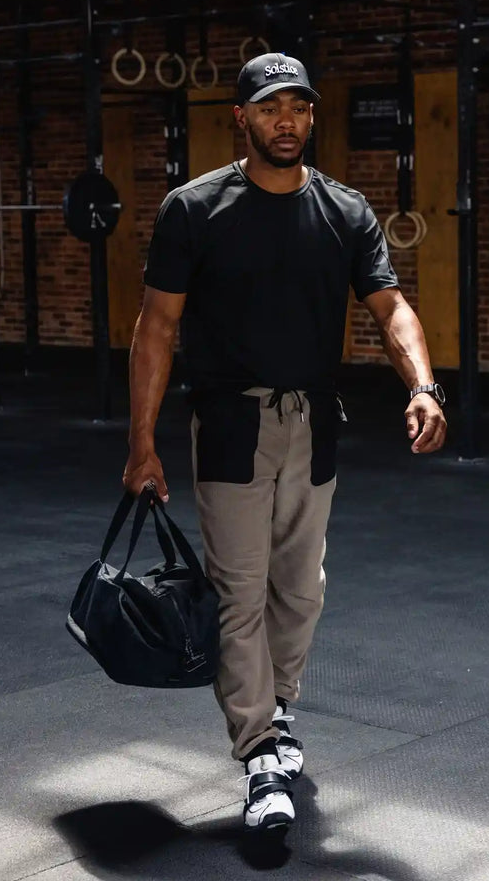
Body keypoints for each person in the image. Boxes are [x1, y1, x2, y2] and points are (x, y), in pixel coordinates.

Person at [123, 52, 447, 836]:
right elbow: (156, 326)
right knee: (239, 591)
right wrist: (143, 442)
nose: (287, 121)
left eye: (299, 107)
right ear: (242, 116)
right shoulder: (194, 209)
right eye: (271, 108)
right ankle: (259, 751)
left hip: (316, 424)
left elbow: (392, 306)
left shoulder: (343, 209)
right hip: (231, 423)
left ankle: (280, 709)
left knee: (301, 589)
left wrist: (425, 386)